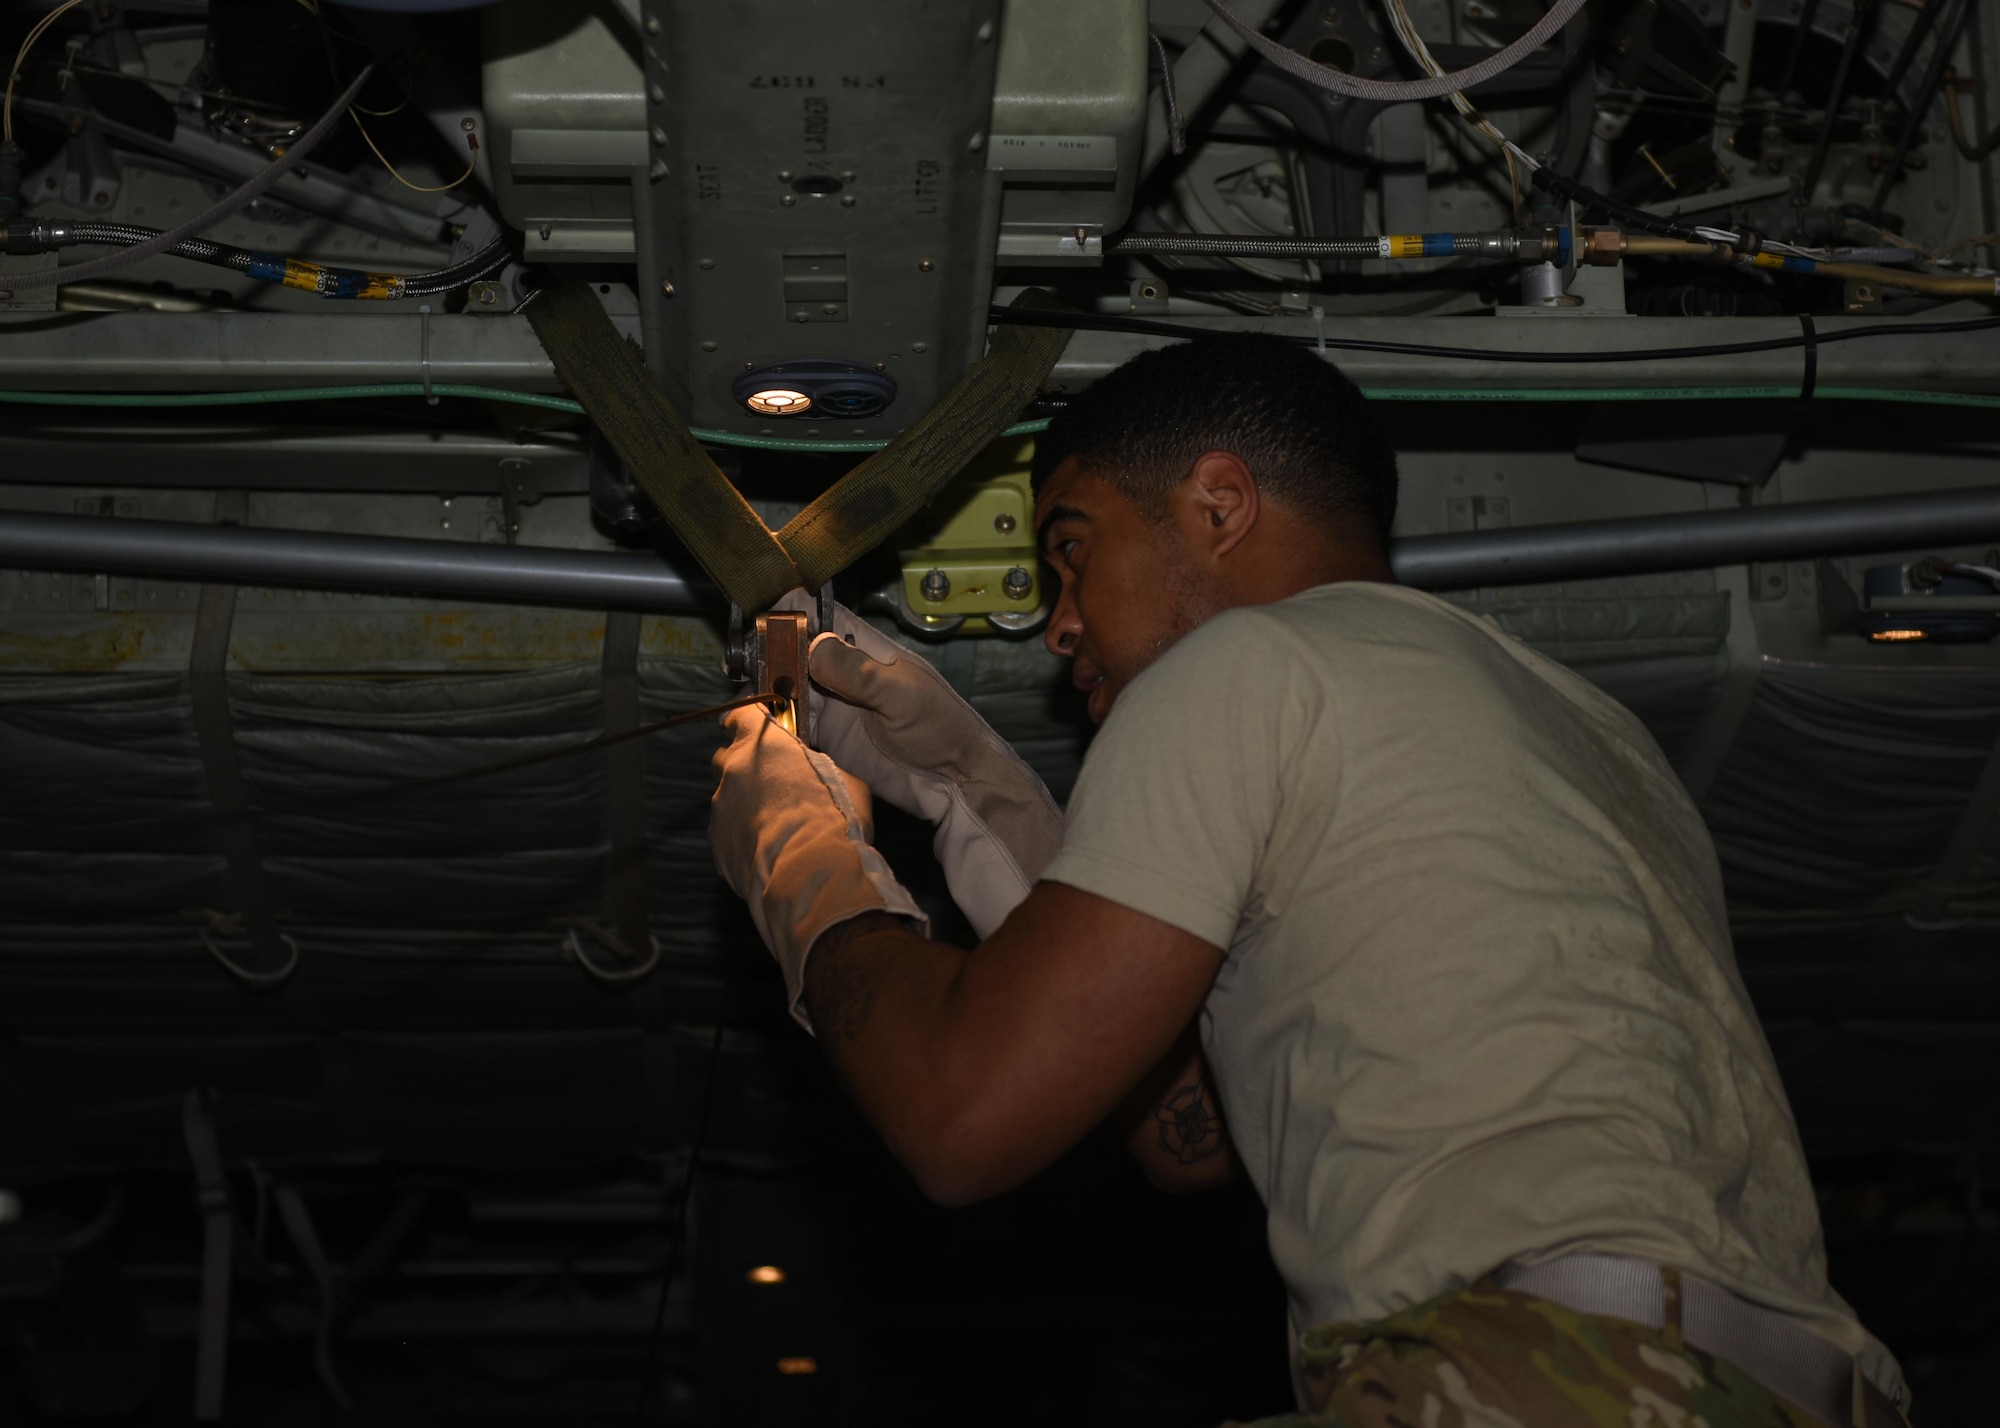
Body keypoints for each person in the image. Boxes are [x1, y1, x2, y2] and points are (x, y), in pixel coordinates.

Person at [707, 333, 1910, 1427]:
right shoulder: (1574, 724)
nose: (1059, 625)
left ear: (1218, 504)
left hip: (1542, 1370)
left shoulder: (1244, 665)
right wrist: (973, 791)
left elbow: (960, 1115)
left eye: (1071, 553)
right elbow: (1190, 1133)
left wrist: (801, 860)